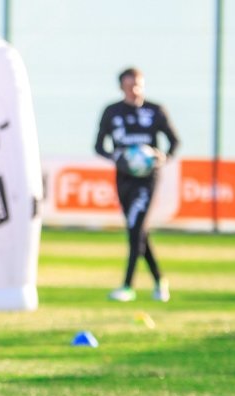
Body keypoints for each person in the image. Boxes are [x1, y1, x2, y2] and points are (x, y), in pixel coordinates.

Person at [94, 67, 179, 302]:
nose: (135, 89)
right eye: (130, 85)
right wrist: (118, 157)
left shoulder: (155, 110)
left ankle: (127, 286)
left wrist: (163, 156)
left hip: (147, 178)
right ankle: (160, 281)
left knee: (135, 228)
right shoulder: (112, 112)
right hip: (124, 178)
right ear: (122, 87)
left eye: (139, 84)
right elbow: (99, 146)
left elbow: (174, 141)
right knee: (138, 230)